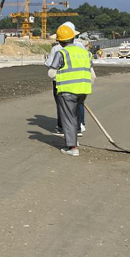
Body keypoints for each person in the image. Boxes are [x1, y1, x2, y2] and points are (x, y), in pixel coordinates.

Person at [48, 24, 96, 157]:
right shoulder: (86, 53)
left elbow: (51, 74)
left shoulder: (61, 53)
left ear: (60, 41)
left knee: (68, 118)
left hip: (67, 91)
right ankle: (75, 138)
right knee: (75, 115)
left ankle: (73, 147)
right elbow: (93, 76)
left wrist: (61, 75)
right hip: (84, 90)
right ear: (73, 38)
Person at [46, 21, 87, 136]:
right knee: (79, 104)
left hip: (62, 83)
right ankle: (80, 126)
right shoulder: (81, 47)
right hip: (80, 81)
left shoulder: (57, 49)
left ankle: (62, 128)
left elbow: (50, 66)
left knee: (63, 106)